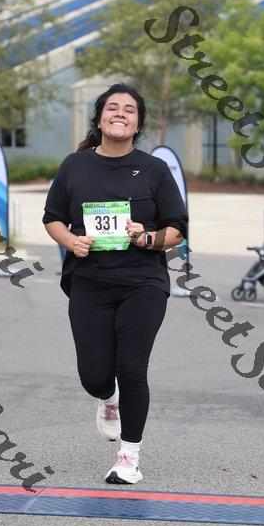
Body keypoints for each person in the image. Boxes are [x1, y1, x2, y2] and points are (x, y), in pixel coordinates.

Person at [42, 83, 188, 484]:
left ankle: (129, 458)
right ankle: (108, 399)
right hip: (89, 281)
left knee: (132, 367)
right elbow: (52, 218)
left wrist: (146, 237)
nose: (120, 113)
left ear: (138, 124)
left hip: (143, 282)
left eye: (129, 109)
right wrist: (71, 241)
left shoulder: (154, 170)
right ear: (99, 118)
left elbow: (176, 229)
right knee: (94, 375)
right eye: (112, 107)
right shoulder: (75, 165)